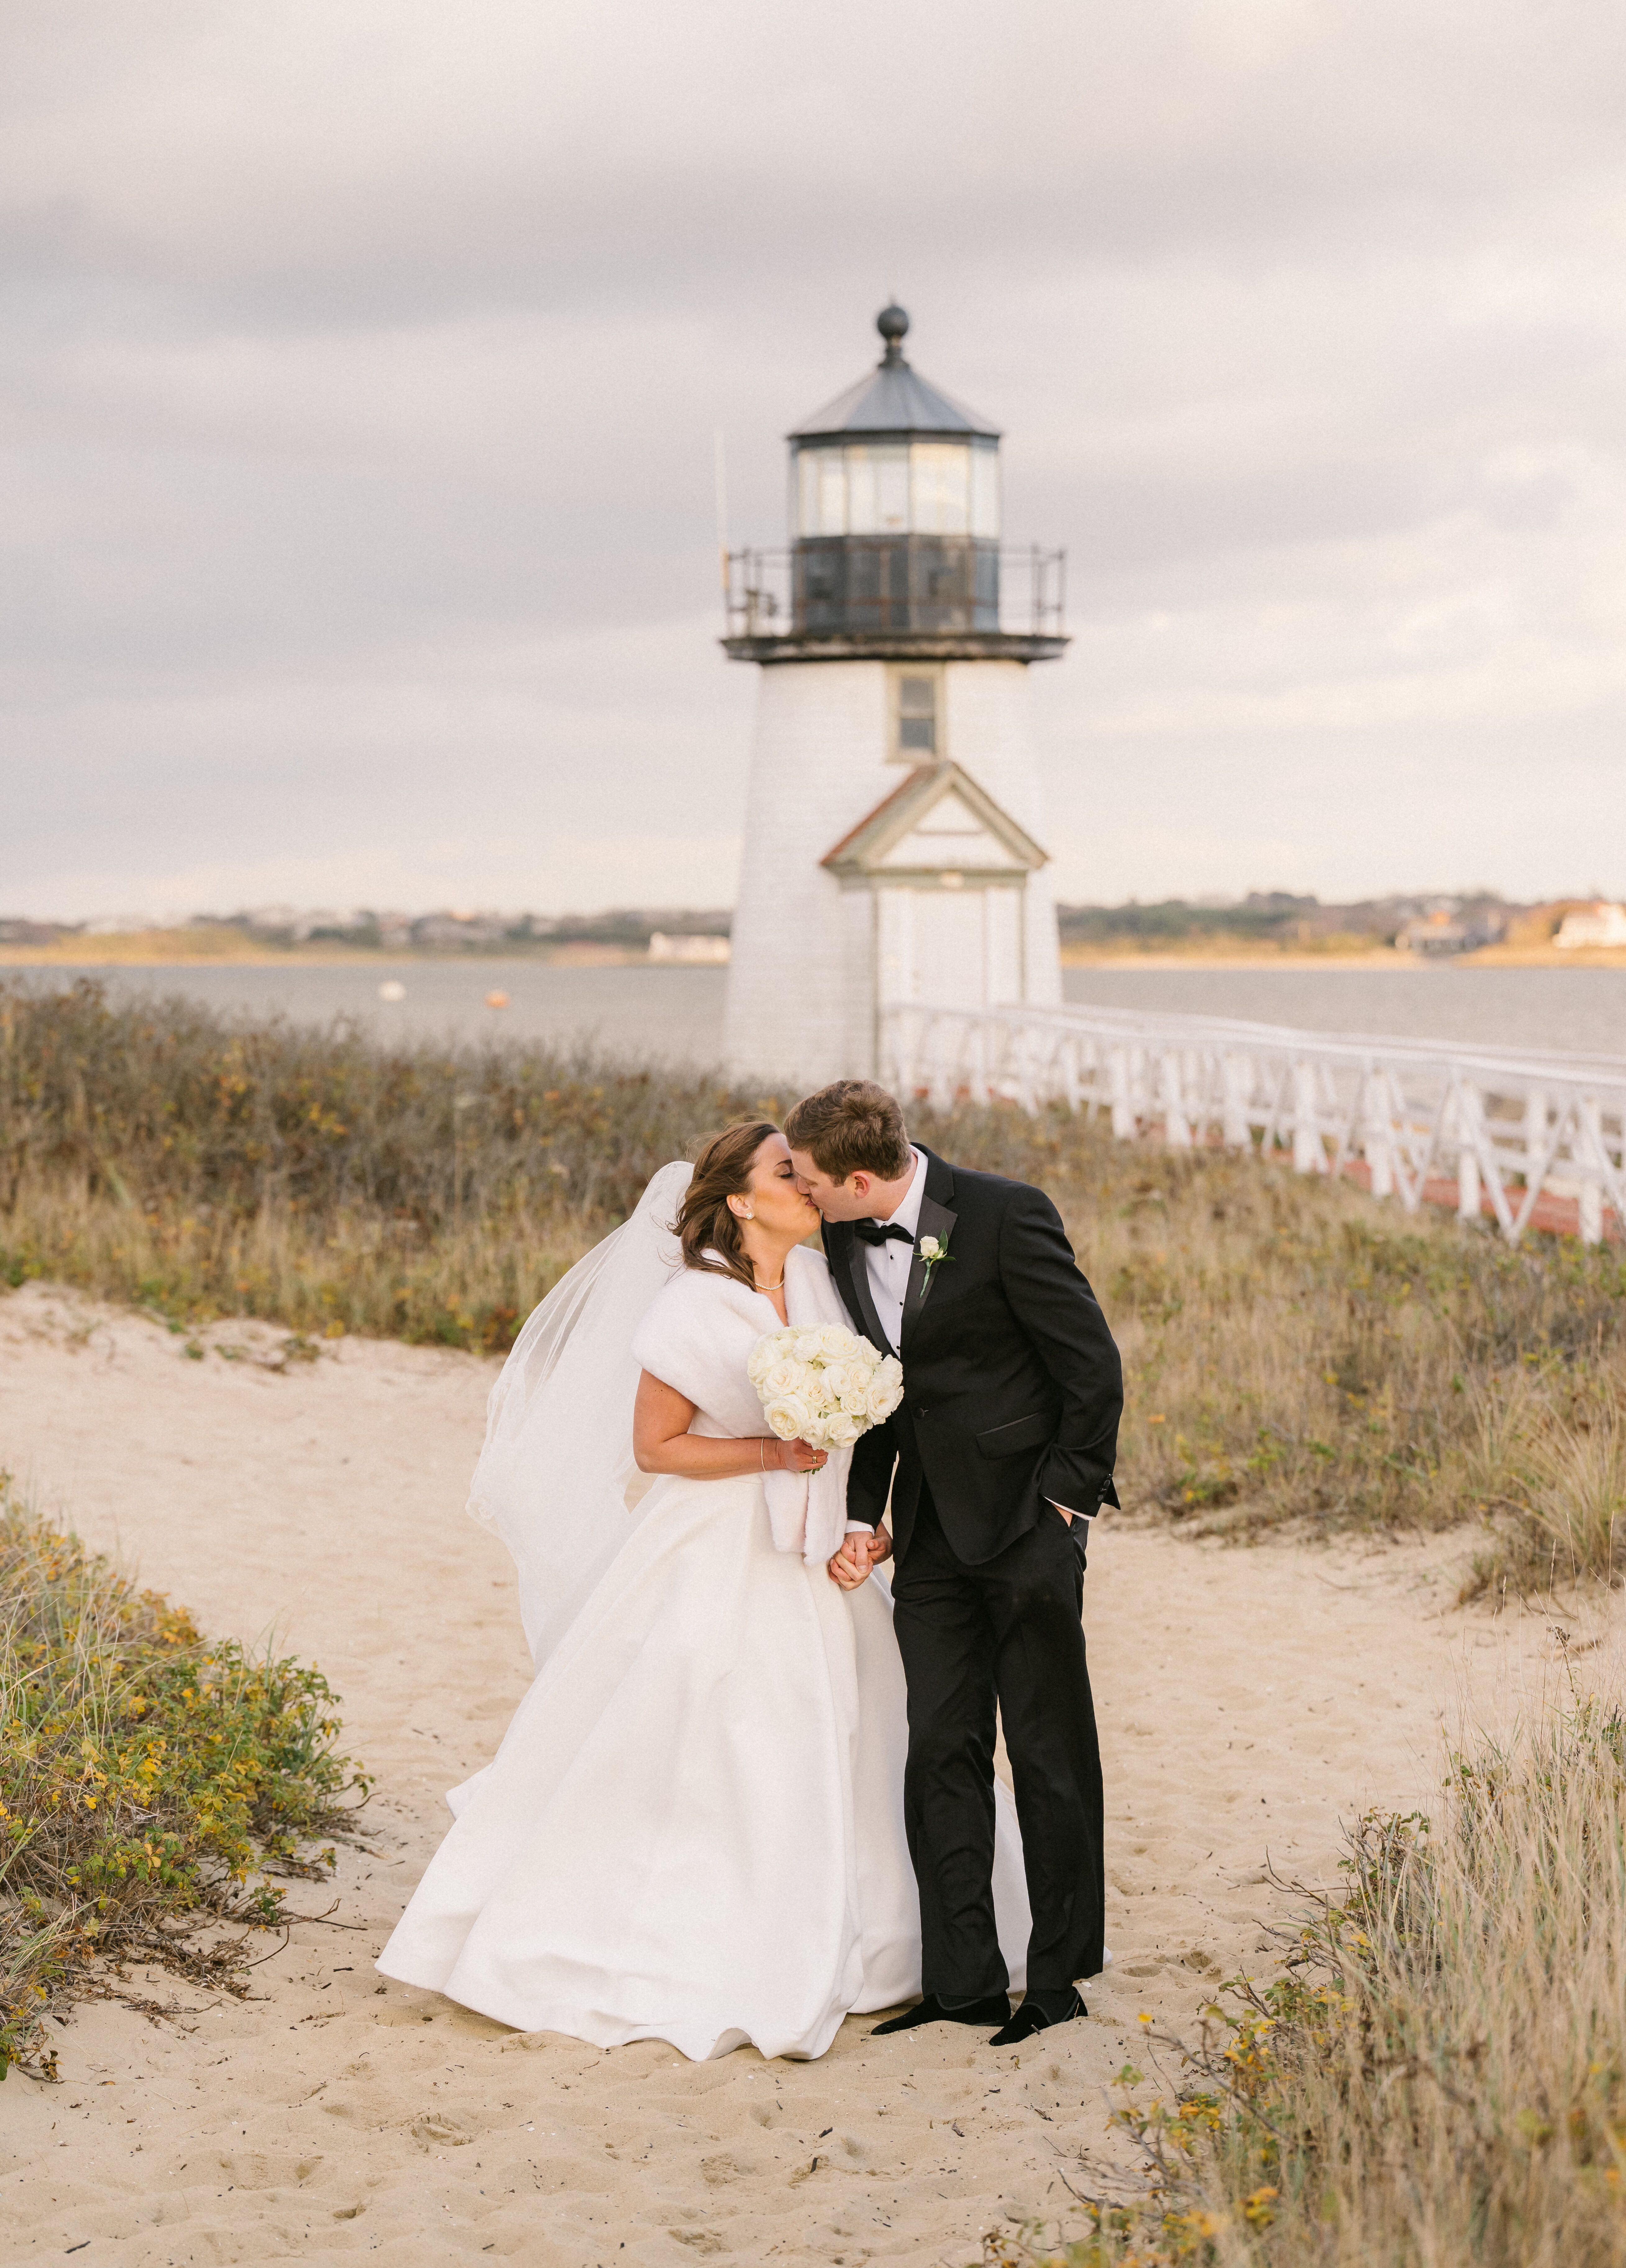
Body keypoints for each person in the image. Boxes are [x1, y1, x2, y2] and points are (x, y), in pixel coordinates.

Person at [377, 1121, 1031, 2061]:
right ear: (737, 1199)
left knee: (865, 1722)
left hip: (814, 1549)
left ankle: (890, 1941)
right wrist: (774, 1449)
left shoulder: (818, 1280)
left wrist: (865, 1526)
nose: (805, 1183)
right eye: (784, 1172)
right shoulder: (689, 1305)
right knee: (707, 1720)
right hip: (715, 1538)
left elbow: (866, 1421)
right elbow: (657, 1447)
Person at [785, 1080, 1122, 2048]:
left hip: (1025, 1524)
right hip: (926, 1533)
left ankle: (1056, 1979)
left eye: (811, 1182)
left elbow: (1090, 1366)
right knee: (939, 1747)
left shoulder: (1007, 1214)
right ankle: (962, 1980)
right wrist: (865, 1511)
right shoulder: (847, 1236)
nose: (804, 1198)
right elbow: (885, 1390)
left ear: (856, 1176)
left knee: (1049, 1751)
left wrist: (1065, 1499)